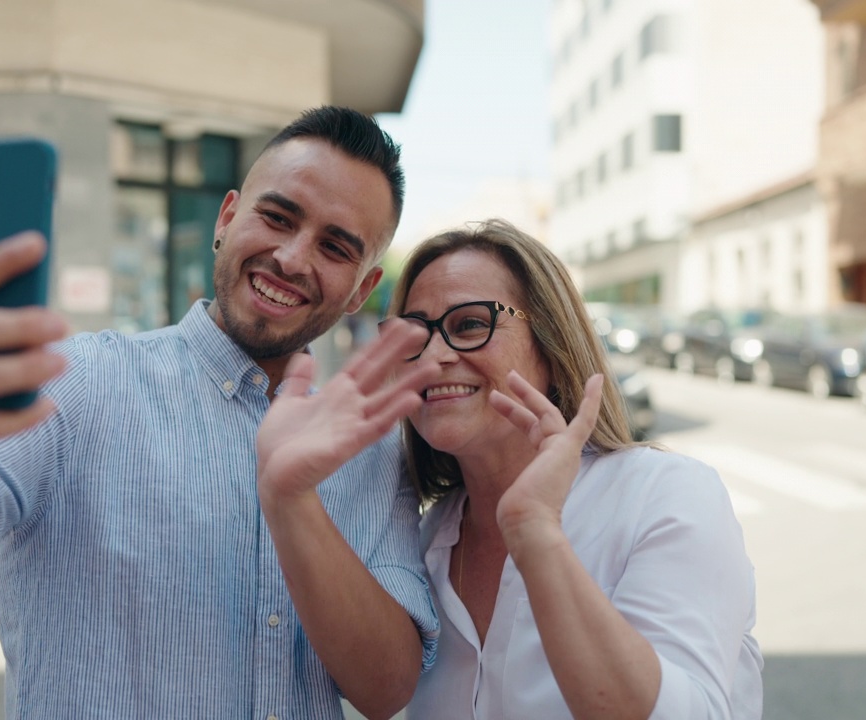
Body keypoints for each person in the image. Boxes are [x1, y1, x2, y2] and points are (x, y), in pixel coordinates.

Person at [0, 106, 441, 720]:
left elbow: (386, 690)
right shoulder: (76, 384)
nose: (293, 258)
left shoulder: (374, 448)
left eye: (335, 247)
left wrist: (295, 501)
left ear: (362, 289)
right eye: (277, 217)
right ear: (227, 218)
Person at [263, 219, 764, 718]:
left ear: (549, 345)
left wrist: (535, 534)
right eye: (413, 334)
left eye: (471, 325)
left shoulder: (664, 494)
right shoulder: (426, 539)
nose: (434, 355)